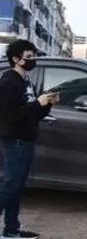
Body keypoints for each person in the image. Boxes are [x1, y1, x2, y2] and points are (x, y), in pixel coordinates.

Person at [0, 40, 57, 239]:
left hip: (27, 139)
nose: (33, 60)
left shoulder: (25, 81)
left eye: (34, 56)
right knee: (10, 186)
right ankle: (11, 228)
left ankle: (12, 229)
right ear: (16, 59)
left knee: (17, 187)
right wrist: (36, 104)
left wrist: (47, 104)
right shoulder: (8, 83)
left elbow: (33, 113)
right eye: (29, 57)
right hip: (15, 141)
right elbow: (9, 116)